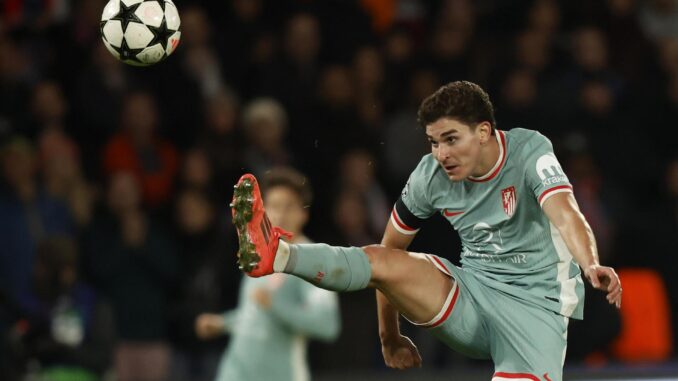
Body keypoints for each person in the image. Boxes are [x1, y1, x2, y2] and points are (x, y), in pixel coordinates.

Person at [230, 81, 622, 381]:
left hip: (537, 309)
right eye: (434, 142)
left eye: (451, 139)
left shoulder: (530, 152)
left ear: (484, 132)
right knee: (381, 257)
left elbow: (567, 213)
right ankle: (277, 253)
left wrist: (591, 265)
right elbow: (385, 259)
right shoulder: (430, 176)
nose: (441, 154)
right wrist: (389, 336)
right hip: (472, 294)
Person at [197, 167, 340, 381]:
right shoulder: (257, 251)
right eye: (274, 206)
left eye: (289, 206)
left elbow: (327, 324)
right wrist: (222, 323)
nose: (280, 214)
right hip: (236, 372)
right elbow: (255, 316)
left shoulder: (311, 260)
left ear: (304, 213)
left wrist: (276, 306)